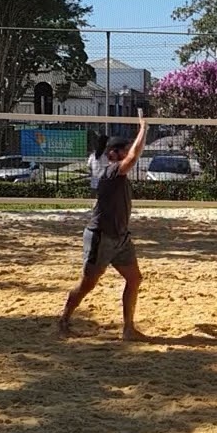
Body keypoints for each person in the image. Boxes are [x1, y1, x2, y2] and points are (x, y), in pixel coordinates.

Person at [59, 110, 149, 341]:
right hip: (101, 236)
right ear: (113, 154)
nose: (130, 153)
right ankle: (63, 320)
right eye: (125, 150)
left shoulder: (119, 175)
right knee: (88, 283)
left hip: (120, 238)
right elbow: (133, 157)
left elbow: (132, 157)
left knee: (134, 278)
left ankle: (128, 328)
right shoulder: (110, 172)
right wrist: (143, 128)